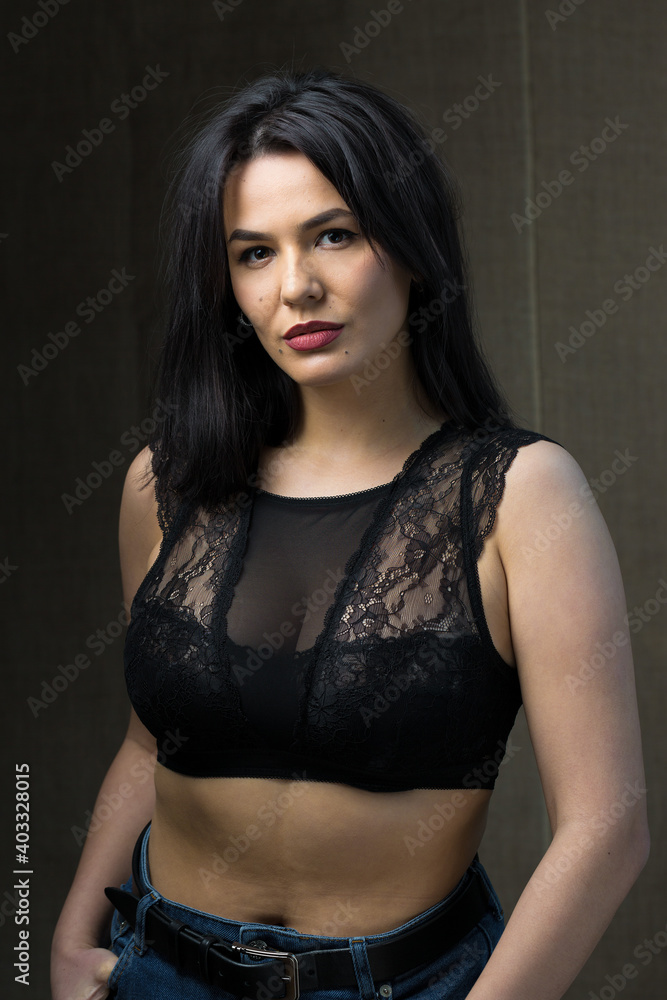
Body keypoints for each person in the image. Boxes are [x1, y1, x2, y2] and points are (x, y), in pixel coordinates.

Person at [50, 67, 649, 1000]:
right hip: (157, 969)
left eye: (334, 235)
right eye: (253, 253)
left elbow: (606, 825)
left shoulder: (520, 495)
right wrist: (63, 934)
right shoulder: (165, 485)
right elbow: (147, 742)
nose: (296, 286)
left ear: (409, 247)